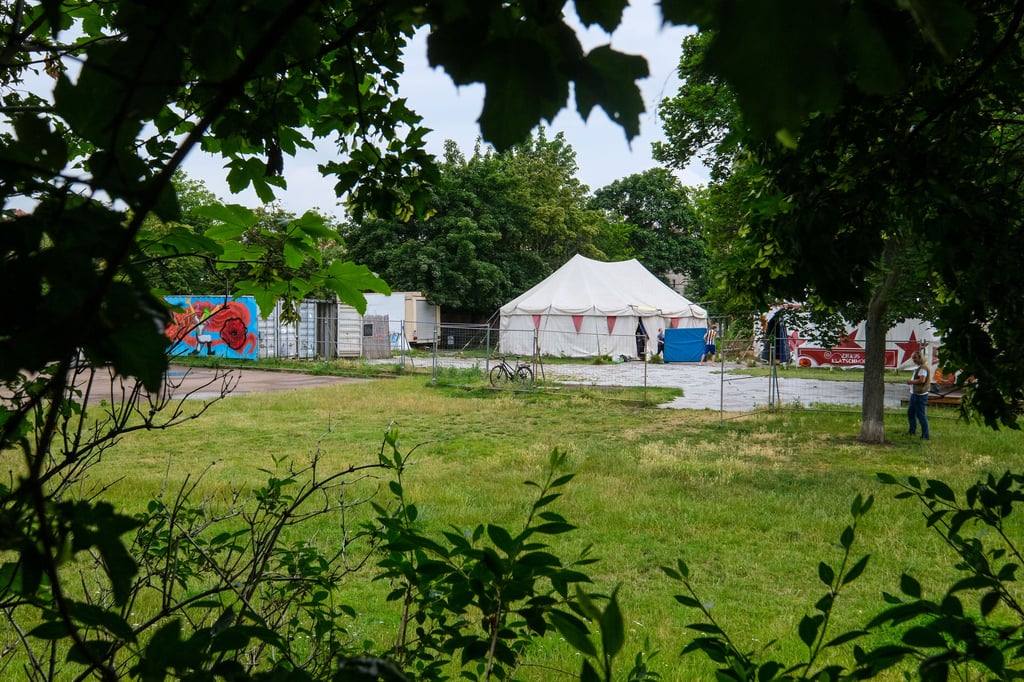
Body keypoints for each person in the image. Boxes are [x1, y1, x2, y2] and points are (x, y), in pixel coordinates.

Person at [907, 350, 931, 440]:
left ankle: (925, 435)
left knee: (921, 415)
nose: (914, 360)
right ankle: (912, 431)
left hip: (919, 395)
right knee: (911, 413)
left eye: (915, 358)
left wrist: (911, 382)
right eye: (913, 358)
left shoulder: (923, 368)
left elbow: (922, 380)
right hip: (915, 394)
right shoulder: (920, 367)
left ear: (920, 358)